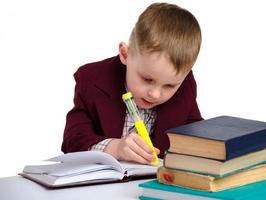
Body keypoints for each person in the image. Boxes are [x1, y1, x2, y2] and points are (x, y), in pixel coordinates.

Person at [61, 2, 203, 165]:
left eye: (170, 86)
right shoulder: (92, 79)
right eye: (147, 79)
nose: (155, 94)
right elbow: (72, 140)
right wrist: (115, 148)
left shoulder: (185, 86)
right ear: (125, 54)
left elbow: (195, 136)